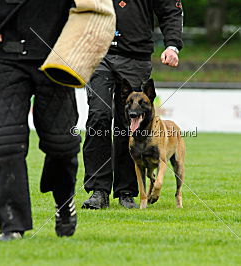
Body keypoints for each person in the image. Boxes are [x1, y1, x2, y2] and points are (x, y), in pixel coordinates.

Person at [0, 0, 81, 241]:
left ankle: (64, 202)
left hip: (57, 58)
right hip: (7, 57)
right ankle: (11, 225)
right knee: (7, 143)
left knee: (62, 146)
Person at [82, 0, 183, 209]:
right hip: (97, 53)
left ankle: (126, 191)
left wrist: (172, 45)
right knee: (98, 116)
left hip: (135, 57)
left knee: (129, 123)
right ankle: (98, 191)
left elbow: (170, 10)